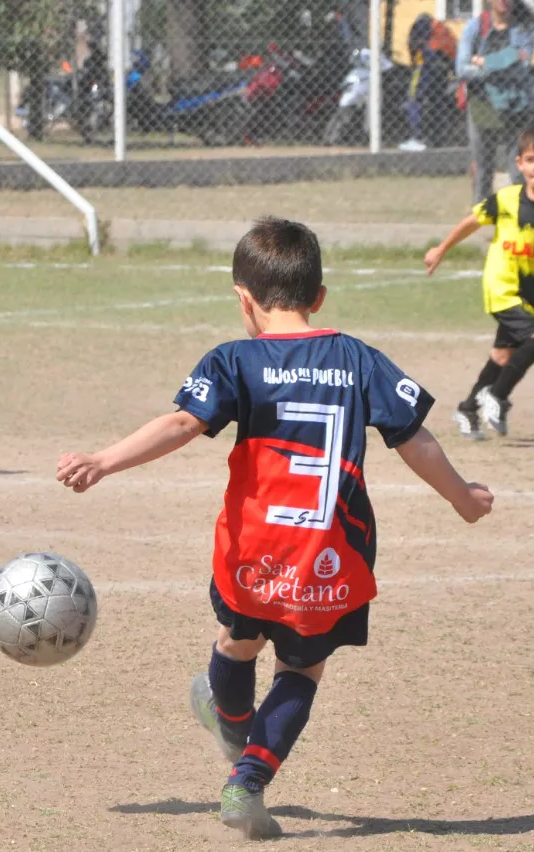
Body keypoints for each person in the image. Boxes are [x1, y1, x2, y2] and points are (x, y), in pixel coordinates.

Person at [56, 217, 494, 840]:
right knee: (301, 669)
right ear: (319, 296)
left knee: (237, 641)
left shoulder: (235, 360)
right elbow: (413, 438)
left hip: (253, 553)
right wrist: (462, 497)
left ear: (244, 299)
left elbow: (182, 423)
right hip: (329, 555)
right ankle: (248, 781)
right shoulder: (357, 357)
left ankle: (231, 720)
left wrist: (102, 460)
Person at [423, 123, 534, 439]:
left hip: (530, 296)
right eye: (530, 160)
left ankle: (468, 409)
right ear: (519, 164)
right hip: (501, 288)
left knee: (503, 356)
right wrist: (441, 249)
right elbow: (471, 222)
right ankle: (497, 397)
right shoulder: (506, 200)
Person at [455, 0, 534, 203]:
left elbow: (522, 68)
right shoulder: (475, 26)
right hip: (483, 103)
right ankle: (481, 211)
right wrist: (507, 60)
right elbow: (462, 68)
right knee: (483, 165)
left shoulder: (524, 29)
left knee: (517, 165)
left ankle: (522, 212)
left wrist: (484, 62)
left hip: (515, 103)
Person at [399, 13, 456, 152]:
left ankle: (417, 137)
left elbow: (413, 45)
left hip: (425, 67)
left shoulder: (420, 25)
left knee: (414, 99)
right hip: (442, 71)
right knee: (438, 103)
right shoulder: (442, 29)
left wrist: (414, 62)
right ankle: (438, 138)